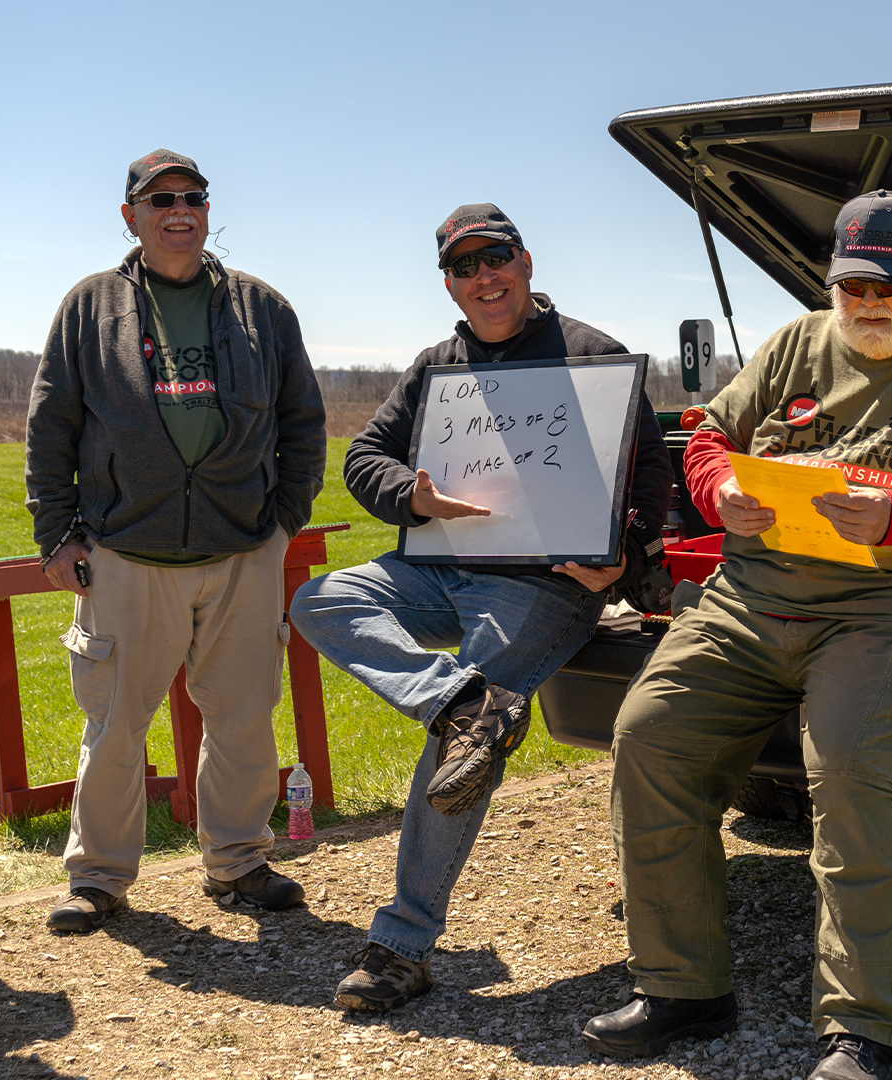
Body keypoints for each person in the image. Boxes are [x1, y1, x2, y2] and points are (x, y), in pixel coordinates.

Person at [583, 191, 892, 1079]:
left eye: (887, 286)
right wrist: (721, 494)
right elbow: (709, 433)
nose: (868, 306)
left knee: (854, 774)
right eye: (851, 287)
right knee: (650, 738)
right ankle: (683, 989)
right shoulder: (797, 341)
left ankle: (862, 1031)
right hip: (754, 599)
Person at [287, 203, 673, 1012]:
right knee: (323, 596)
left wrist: (621, 561)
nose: (482, 278)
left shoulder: (592, 358)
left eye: (493, 259)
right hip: (439, 567)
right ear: (450, 284)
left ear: (524, 261)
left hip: (543, 585)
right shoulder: (438, 364)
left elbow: (647, 490)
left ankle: (400, 946)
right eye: (462, 268)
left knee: (461, 753)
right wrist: (413, 499)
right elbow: (365, 457)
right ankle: (460, 701)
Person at [25, 150, 327, 934]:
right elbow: (51, 427)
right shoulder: (91, 308)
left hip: (240, 551)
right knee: (116, 723)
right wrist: (56, 533)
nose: (179, 210)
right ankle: (98, 878)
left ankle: (239, 862)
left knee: (243, 716)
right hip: (128, 550)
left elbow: (303, 424)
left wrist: (281, 527)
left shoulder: (262, 309)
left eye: (193, 197)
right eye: (160, 200)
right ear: (131, 215)